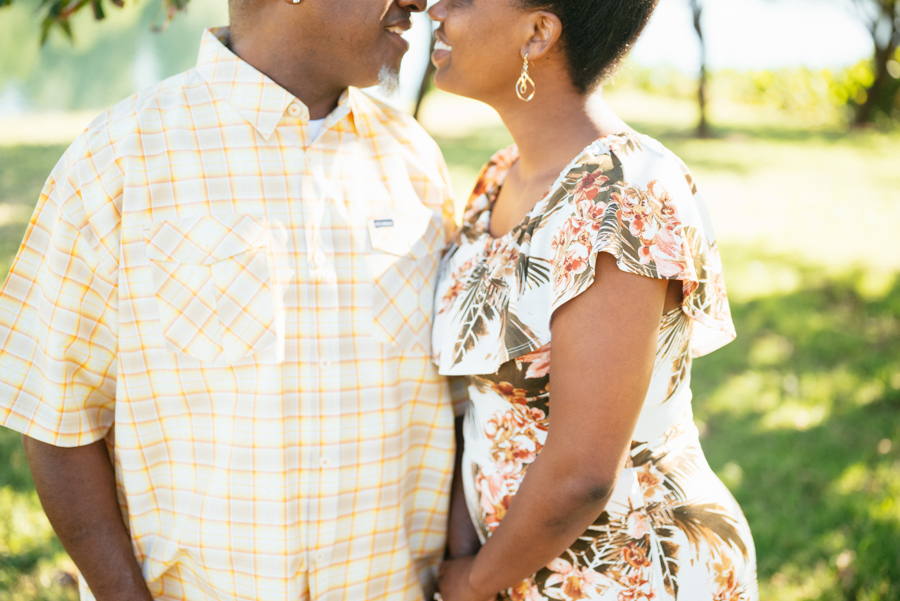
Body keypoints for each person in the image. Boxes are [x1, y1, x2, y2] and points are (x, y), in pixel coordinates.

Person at [0, 0, 462, 599]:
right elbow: (57, 416)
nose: (420, 4)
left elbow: (453, 404)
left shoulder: (415, 159)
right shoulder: (116, 160)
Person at [426, 0, 759, 600]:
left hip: (627, 574)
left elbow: (581, 473)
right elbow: (477, 400)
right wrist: (465, 556)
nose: (434, 9)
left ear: (538, 33)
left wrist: (471, 583)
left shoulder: (622, 193)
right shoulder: (499, 177)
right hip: (512, 564)